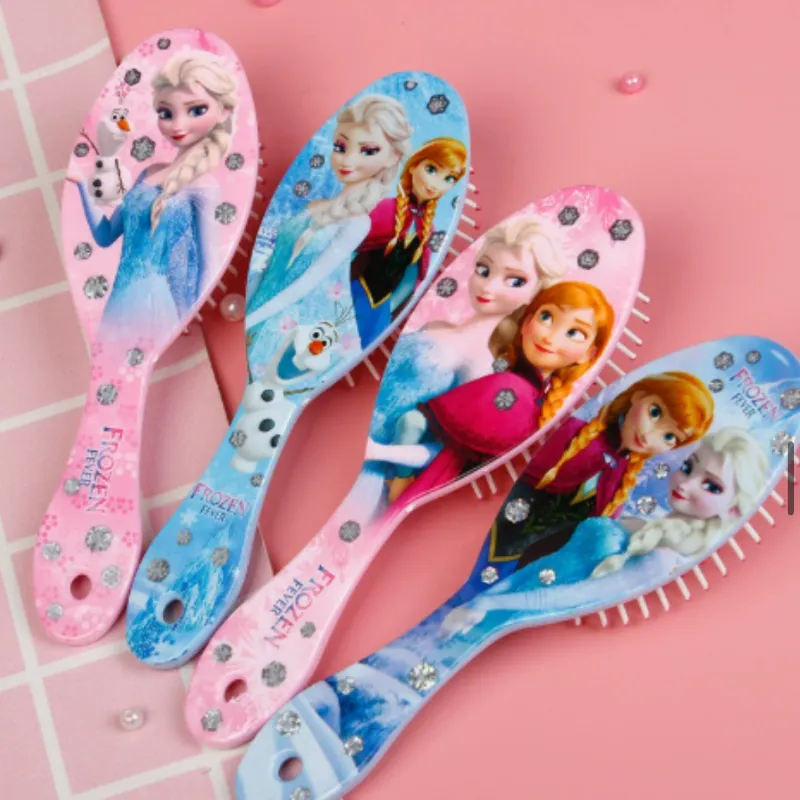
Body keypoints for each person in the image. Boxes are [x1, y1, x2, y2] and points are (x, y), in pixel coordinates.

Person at [440, 426, 767, 637]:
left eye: (712, 486)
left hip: (507, 615)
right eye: (688, 467)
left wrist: (495, 605)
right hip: (487, 603)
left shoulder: (662, 560)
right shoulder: (636, 522)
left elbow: (577, 595)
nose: (687, 483)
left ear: (733, 510)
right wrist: (484, 597)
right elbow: (545, 563)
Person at [69, 50, 238, 338]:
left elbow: (208, 262)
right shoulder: (148, 173)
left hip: (157, 302)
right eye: (166, 113)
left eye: (196, 110)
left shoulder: (204, 186)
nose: (177, 125)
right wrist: (81, 187)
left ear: (223, 111)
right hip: (120, 300)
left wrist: (186, 313)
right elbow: (105, 235)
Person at [244, 94, 413, 380]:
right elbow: (268, 266)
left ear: (393, 156)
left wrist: (253, 318)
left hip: (283, 328)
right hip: (257, 311)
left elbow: (308, 283)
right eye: (340, 147)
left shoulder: (357, 224)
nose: (347, 160)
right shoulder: (312, 207)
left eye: (368, 151)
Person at [349, 137, 468, 347]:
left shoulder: (427, 229)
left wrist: (390, 309)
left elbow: (411, 278)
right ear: (413, 166)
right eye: (431, 169)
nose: (435, 183)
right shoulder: (383, 209)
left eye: (449, 178)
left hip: (381, 309)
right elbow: (350, 250)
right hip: (351, 294)